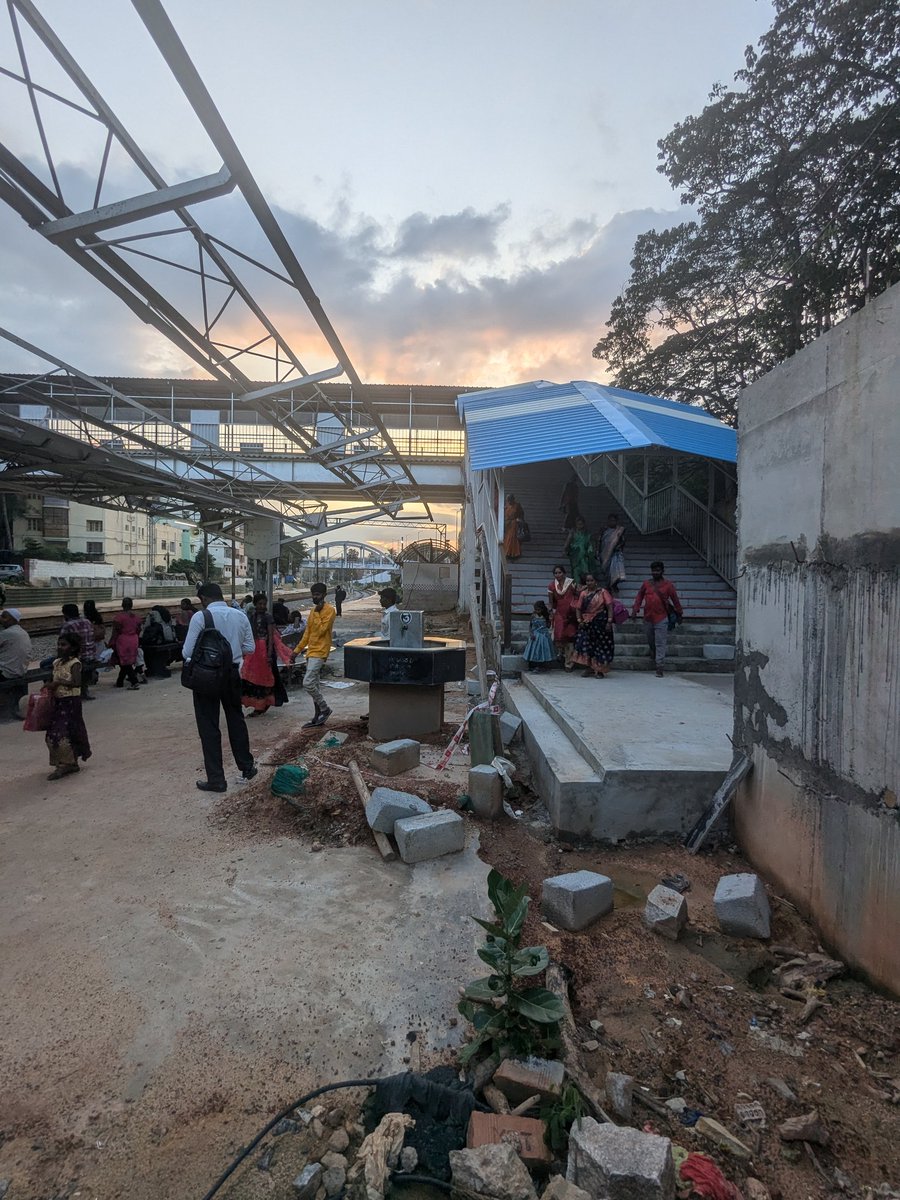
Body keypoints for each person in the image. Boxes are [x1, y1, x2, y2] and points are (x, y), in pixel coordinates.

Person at [183, 582, 258, 793]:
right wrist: (232, 649)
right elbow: (250, 648)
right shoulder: (240, 615)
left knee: (209, 726)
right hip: (232, 673)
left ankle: (216, 779)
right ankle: (247, 767)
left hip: (207, 677)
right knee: (236, 720)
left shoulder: (201, 617)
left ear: (204, 599)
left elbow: (187, 652)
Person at [44, 630, 92, 780]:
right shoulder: (56, 663)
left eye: (63, 645)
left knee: (65, 732)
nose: (60, 647)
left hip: (71, 702)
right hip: (58, 702)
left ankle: (67, 763)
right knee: (53, 733)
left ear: (72, 648)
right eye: (59, 644)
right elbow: (52, 678)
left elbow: (77, 682)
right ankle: (65, 762)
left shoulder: (75, 664)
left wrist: (58, 683)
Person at [292, 582, 336, 728]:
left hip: (321, 651)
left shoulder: (330, 610)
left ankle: (325, 708)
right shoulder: (312, 611)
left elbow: (323, 629)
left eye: (317, 594)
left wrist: (317, 612)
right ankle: (317, 716)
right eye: (313, 594)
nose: (314, 597)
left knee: (308, 683)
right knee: (315, 685)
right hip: (310, 651)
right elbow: (307, 633)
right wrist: (296, 651)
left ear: (324, 595)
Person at [631, 560, 683, 677]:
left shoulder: (668, 585)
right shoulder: (646, 584)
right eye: (653, 571)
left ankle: (660, 666)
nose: (655, 573)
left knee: (660, 642)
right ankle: (654, 652)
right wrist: (635, 609)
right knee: (650, 639)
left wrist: (679, 613)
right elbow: (639, 596)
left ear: (662, 571)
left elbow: (675, 600)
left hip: (662, 617)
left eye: (657, 570)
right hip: (648, 617)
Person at [241, 594, 290, 715]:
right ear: (255, 604)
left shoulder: (268, 617)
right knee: (253, 677)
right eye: (260, 604)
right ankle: (258, 704)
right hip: (254, 651)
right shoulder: (252, 616)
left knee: (264, 677)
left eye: (264, 604)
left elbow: (271, 637)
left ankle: (262, 705)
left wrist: (269, 654)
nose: (262, 606)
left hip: (264, 650)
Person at [572, 571, 615, 678]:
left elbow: (609, 606)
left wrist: (609, 621)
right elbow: (578, 608)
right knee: (586, 646)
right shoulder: (583, 594)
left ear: (596, 581)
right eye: (587, 581)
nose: (589, 582)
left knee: (600, 646)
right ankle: (589, 668)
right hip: (587, 624)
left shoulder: (603, 592)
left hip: (600, 623)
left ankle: (599, 670)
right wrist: (579, 620)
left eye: (591, 580)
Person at [60, 602, 97, 700]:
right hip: (91, 656)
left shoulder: (67, 625)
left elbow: (61, 644)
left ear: (66, 614)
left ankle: (60, 691)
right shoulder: (87, 622)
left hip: (78, 659)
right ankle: (84, 691)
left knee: (45, 664)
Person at [0, 607, 32, 716]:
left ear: (13, 619)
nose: (1, 619)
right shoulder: (22, 632)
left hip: (6, 672)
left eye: (4, 617)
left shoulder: (6, 633)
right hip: (20, 670)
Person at [547, 564, 579, 671]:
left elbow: (577, 596)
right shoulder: (552, 586)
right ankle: (561, 655)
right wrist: (551, 613)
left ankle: (568, 664)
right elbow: (551, 603)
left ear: (564, 573)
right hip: (560, 614)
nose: (558, 575)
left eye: (560, 572)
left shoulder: (572, 583)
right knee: (560, 637)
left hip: (571, 613)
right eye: (555, 573)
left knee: (570, 637)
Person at [109, 596, 143, 690]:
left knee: (124, 662)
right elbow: (138, 629)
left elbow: (116, 631)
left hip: (123, 640)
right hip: (134, 639)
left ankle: (134, 681)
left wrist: (111, 642)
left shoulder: (119, 618)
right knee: (127, 661)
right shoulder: (136, 617)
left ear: (122, 605)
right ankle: (120, 681)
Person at [141, 605, 177, 677]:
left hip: (157, 639)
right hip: (168, 638)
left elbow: (146, 625)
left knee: (147, 648)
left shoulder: (153, 613)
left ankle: (151, 668)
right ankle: (161, 666)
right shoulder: (166, 614)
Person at [522, 601, 555, 672]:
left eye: (538, 610)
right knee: (534, 650)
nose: (537, 611)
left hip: (544, 635)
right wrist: (531, 634)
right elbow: (530, 626)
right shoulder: (533, 616)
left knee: (543, 650)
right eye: (535, 609)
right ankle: (533, 665)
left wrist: (550, 619)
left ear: (542, 609)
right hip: (535, 635)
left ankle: (542, 665)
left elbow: (548, 626)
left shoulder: (545, 616)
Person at [564, 515, 597, 584]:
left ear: (584, 524)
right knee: (576, 569)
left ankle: (586, 576)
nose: (580, 526)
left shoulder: (587, 534)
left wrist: (590, 550)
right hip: (575, 552)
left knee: (585, 552)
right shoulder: (573, 532)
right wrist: (565, 549)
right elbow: (568, 542)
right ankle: (577, 583)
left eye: (581, 524)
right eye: (578, 524)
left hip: (585, 554)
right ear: (576, 524)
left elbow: (590, 544)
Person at [599, 513, 627, 594]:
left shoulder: (619, 531)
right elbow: (599, 541)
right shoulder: (604, 530)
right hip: (605, 553)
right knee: (607, 570)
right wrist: (597, 551)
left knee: (615, 570)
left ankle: (614, 585)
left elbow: (623, 541)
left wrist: (619, 546)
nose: (612, 522)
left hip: (615, 553)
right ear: (608, 521)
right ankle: (608, 585)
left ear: (616, 521)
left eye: (614, 520)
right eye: (610, 520)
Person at [503, 493, 525, 560]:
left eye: (510, 500)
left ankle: (513, 554)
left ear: (513, 499)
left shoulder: (517, 505)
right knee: (507, 538)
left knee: (512, 538)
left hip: (514, 524)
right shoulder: (506, 505)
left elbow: (522, 514)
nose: (509, 502)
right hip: (507, 524)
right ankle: (507, 552)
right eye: (508, 500)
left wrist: (519, 519)